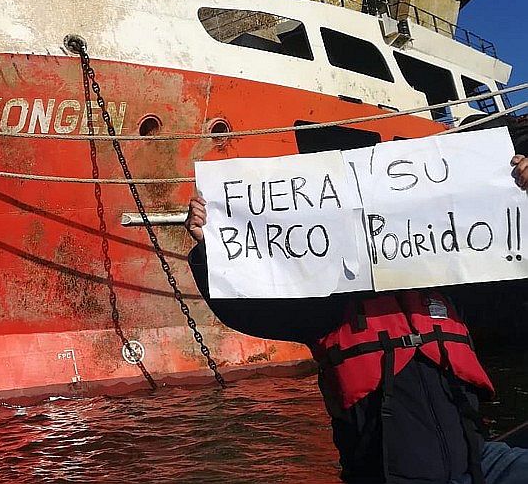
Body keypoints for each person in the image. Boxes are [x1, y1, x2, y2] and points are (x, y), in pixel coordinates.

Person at [184, 154, 528, 484]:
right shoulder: (325, 309)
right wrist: (210, 250)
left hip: (480, 462)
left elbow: (515, 287)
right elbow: (249, 310)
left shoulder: (450, 290)